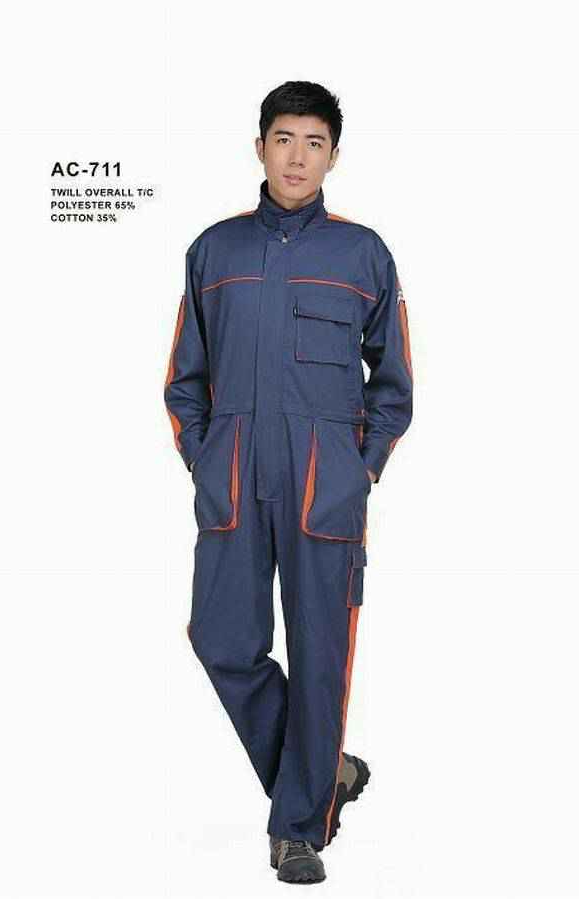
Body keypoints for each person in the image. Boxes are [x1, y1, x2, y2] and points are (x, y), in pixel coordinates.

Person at [164, 80, 413, 884]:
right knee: (220, 639)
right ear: (260, 147)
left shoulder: (363, 254)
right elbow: (184, 380)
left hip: (322, 488)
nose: (297, 157)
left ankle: (298, 827)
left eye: (314, 143)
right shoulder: (214, 251)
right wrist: (206, 458)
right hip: (234, 481)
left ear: (333, 155)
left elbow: (394, 385)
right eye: (283, 139)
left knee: (319, 656)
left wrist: (358, 468)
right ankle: (322, 769)